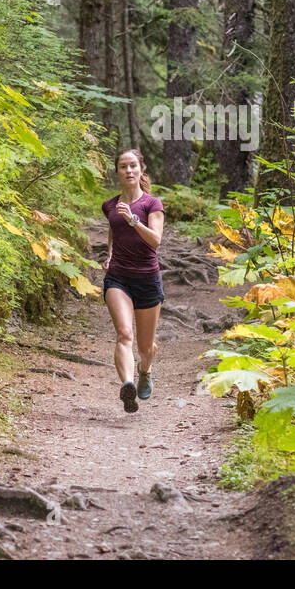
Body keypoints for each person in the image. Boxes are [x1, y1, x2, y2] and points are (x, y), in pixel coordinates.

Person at [101, 148, 165, 413]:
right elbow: (114, 233)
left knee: (146, 347)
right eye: (123, 167)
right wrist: (110, 254)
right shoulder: (109, 206)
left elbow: (156, 241)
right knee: (124, 334)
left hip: (147, 279)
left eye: (133, 166)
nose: (128, 171)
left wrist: (134, 221)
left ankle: (144, 370)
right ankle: (127, 385)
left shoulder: (152, 204)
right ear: (117, 172)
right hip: (118, 278)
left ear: (141, 171)